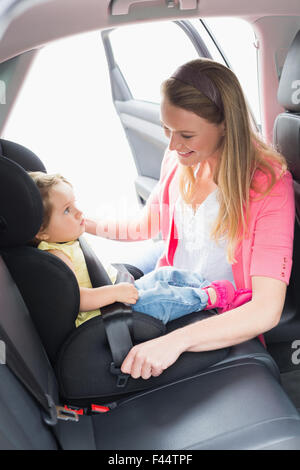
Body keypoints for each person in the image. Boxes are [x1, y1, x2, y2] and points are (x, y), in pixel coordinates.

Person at [85, 58, 295, 380]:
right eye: (167, 129)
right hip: (172, 296)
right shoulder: (179, 160)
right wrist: (83, 224)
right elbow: (146, 225)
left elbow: (266, 309)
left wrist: (175, 343)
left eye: (185, 134)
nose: (172, 145)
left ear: (225, 124)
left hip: (215, 318)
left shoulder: (268, 186)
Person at [28, 171, 250, 328]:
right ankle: (209, 297)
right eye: (67, 210)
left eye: (75, 203)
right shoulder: (55, 255)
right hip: (105, 314)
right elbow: (77, 299)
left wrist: (117, 290)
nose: (78, 212)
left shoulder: (65, 241)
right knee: (162, 298)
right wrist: (115, 293)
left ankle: (210, 289)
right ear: (42, 232)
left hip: (117, 293)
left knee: (165, 274)